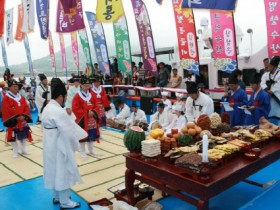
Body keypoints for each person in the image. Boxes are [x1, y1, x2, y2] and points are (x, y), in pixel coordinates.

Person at [42, 78, 87, 209]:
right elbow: (69, 130)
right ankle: (65, 201)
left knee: (53, 169)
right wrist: (76, 145)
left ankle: (57, 196)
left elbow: (65, 122)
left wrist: (69, 114)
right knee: (62, 170)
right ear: (61, 96)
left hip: (49, 143)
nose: (65, 100)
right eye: (65, 97)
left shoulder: (48, 107)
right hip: (59, 144)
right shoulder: (58, 111)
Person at [2, 79, 33, 158]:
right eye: (14, 86)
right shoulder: (6, 98)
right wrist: (17, 116)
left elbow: (26, 106)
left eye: (16, 86)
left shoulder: (21, 97)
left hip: (22, 119)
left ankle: (23, 149)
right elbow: (6, 109)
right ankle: (15, 150)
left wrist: (23, 116)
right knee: (13, 137)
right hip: (13, 120)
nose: (16, 88)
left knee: (23, 135)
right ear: (9, 88)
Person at [72, 76, 100, 158]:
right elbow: (75, 108)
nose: (87, 87)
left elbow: (96, 105)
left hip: (92, 119)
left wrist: (93, 112)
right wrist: (86, 113)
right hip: (83, 119)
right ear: (81, 85)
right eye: (85, 85)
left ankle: (91, 150)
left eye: (89, 85)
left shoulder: (92, 95)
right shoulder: (77, 96)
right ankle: (82, 151)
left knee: (91, 134)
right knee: (83, 135)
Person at [261, 56, 280, 125]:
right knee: (270, 115)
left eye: (270, 66)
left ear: (274, 67)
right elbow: (262, 83)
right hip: (269, 97)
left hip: (277, 96)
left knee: (278, 114)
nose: (268, 68)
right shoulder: (266, 75)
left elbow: (278, 85)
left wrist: (273, 91)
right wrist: (267, 90)